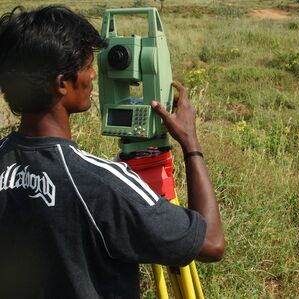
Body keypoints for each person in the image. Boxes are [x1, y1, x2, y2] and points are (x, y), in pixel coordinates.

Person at [0, 5, 224, 299]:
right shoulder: (101, 185)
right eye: (86, 65)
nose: (94, 74)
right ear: (61, 84)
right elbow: (211, 243)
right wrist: (190, 142)